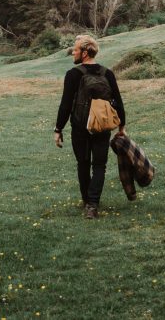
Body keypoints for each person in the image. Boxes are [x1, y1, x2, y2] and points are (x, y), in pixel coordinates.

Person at [53, 34, 126, 219]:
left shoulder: (73, 74)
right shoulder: (107, 73)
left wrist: (58, 129)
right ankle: (93, 205)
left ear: (84, 53)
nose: (73, 53)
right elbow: (118, 101)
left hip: (80, 127)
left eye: (75, 50)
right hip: (102, 126)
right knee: (99, 166)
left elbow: (65, 105)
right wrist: (121, 126)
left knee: (83, 164)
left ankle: (88, 202)